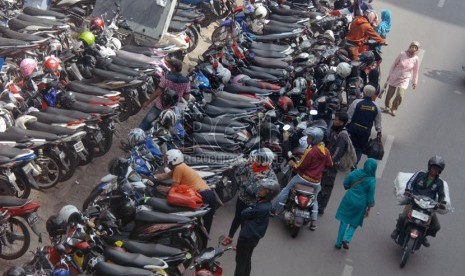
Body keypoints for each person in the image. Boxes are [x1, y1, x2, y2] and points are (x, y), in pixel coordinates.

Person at [272, 127, 333, 230]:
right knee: (315, 199)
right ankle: (313, 222)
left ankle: (274, 210)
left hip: (303, 178)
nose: (308, 139)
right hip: (316, 182)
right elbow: (330, 164)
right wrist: (320, 168)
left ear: (315, 139)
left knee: (286, 190)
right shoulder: (326, 151)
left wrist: (293, 164)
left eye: (310, 137)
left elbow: (301, 166)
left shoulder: (310, 151)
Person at [153, 149, 217, 246]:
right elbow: (164, 176)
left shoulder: (179, 168)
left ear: (173, 160)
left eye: (167, 159)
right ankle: (201, 248)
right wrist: (150, 177)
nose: (166, 162)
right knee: (204, 225)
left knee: (199, 224)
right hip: (208, 195)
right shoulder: (179, 167)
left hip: (203, 196)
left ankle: (201, 248)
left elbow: (174, 189)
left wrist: (165, 189)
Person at [221, 148, 277, 246]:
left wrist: (262, 182)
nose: (257, 160)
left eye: (260, 159)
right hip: (242, 197)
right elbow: (238, 172)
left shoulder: (270, 174)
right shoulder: (251, 166)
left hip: (253, 203)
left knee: (245, 223)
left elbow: (274, 189)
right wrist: (245, 163)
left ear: (266, 161)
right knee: (237, 218)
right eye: (257, 158)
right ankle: (230, 237)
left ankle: (240, 243)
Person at [391, 156, 447, 247]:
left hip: (428, 207)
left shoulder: (439, 183)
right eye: (433, 168)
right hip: (414, 203)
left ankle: (424, 235)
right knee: (402, 217)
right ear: (429, 167)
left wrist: (440, 203)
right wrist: (408, 191)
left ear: (439, 171)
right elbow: (410, 183)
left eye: (437, 169)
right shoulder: (420, 174)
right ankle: (397, 230)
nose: (434, 170)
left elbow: (441, 195)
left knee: (436, 226)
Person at [234, 177, 280, 276]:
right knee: (247, 259)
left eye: (263, 189)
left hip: (246, 238)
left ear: (269, 193)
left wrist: (249, 208)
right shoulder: (266, 204)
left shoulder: (261, 207)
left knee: (240, 261)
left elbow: (244, 213)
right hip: (254, 237)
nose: (260, 190)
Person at [335, 158, 377, 250]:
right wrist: (369, 209)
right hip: (360, 204)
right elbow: (370, 197)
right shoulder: (372, 181)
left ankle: (338, 243)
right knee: (355, 222)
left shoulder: (356, 172)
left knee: (344, 221)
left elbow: (346, 183)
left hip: (349, 199)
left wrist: (348, 187)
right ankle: (346, 238)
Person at [139, 58, 190, 131]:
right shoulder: (186, 81)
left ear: (174, 68)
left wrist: (147, 102)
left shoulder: (166, 78)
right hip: (171, 110)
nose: (169, 68)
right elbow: (187, 97)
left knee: (146, 123)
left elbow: (157, 92)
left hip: (159, 106)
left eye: (170, 67)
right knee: (162, 130)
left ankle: (137, 138)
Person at [318, 112, 350, 215]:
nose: (334, 121)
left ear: (341, 122)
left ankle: (320, 207)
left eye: (336, 120)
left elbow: (336, 154)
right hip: (326, 161)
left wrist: (328, 163)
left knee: (326, 186)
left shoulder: (342, 137)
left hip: (331, 165)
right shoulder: (334, 130)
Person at [381, 41, 421, 116]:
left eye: (415, 48)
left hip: (405, 79)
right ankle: (387, 106)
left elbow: (416, 71)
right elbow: (394, 64)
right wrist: (390, 74)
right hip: (395, 75)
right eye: (412, 46)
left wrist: (414, 82)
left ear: (417, 50)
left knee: (400, 95)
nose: (413, 49)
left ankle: (394, 109)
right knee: (390, 94)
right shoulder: (402, 54)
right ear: (410, 46)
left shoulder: (416, 59)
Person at [347, 85, 382, 163]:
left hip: (353, 129)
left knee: (350, 145)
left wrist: (346, 126)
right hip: (365, 132)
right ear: (373, 94)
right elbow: (378, 123)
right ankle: (354, 164)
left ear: (364, 93)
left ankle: (347, 161)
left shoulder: (356, 102)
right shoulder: (376, 107)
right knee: (359, 149)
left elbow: (349, 116)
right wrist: (379, 132)